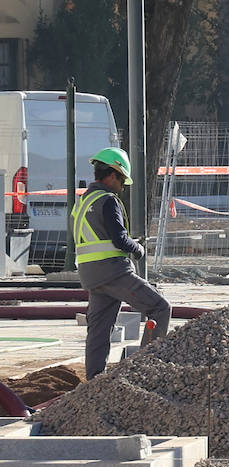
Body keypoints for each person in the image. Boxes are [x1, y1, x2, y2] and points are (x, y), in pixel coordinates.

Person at [72, 147, 171, 378]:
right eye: (122, 179)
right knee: (160, 308)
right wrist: (137, 248)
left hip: (91, 276)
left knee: (98, 330)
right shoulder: (107, 200)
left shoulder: (83, 202)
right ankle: (147, 370)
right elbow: (119, 239)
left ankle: (95, 380)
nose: (123, 185)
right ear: (113, 174)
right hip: (113, 272)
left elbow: (95, 237)